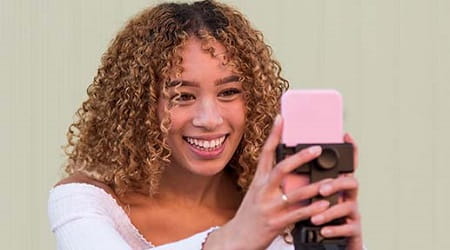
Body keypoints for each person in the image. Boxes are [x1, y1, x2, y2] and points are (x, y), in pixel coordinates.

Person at [48, 0, 363, 249]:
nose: (210, 119)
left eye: (229, 92)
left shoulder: (282, 211)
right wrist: (234, 238)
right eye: (183, 96)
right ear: (141, 106)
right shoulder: (85, 202)